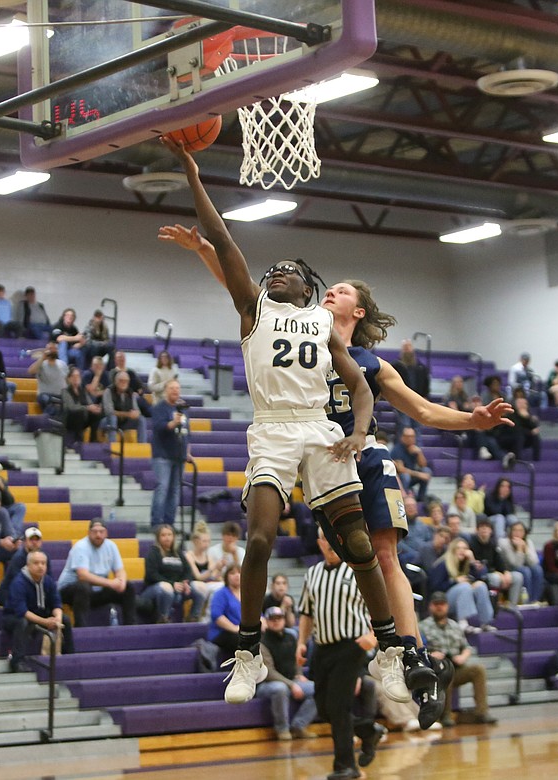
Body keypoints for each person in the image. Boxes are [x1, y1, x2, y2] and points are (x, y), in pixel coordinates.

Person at [162, 137, 410, 708]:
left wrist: (358, 430)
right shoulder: (254, 308)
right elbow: (223, 239)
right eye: (271, 269)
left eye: (289, 272)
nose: (276, 274)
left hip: (320, 431)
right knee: (258, 540)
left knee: (356, 545)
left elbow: (358, 385)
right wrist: (192, 172)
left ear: (310, 289)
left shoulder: (323, 327)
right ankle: (248, 654)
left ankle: (391, 651)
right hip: (272, 428)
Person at [297, 532, 387, 780]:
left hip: (352, 646)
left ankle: (346, 766)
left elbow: (381, 605)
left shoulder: (358, 571)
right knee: (324, 709)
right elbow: (306, 613)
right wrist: (300, 644)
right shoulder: (312, 573)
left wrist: (373, 636)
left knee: (338, 706)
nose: (330, 543)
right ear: (320, 543)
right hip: (322, 648)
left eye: (333, 538)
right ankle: (368, 730)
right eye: (324, 539)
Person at [419, 591, 495, 727]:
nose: (439, 607)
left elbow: (466, 647)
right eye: (436, 604)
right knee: (445, 671)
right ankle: (445, 715)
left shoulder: (455, 626)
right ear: (430, 606)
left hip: (456, 666)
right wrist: (431, 655)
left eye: (442, 604)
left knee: (478, 670)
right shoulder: (422, 626)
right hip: (435, 669)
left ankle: (482, 712)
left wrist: (463, 656)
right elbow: (419, 651)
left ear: (447, 606)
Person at [57, 519, 136, 627]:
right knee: (83, 587)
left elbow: (120, 570)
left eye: (101, 531)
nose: (98, 535)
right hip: (70, 591)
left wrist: (121, 581)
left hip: (94, 591)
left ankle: (130, 627)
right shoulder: (81, 547)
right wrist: (110, 583)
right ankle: (81, 628)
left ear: (106, 533)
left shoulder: (111, 546)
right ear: (89, 533)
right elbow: (82, 575)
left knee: (128, 587)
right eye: (95, 532)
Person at [4, 550, 74, 671]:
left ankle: (70, 657)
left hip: (39, 614)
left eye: (43, 563)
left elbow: (57, 603)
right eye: (36, 563)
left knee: (65, 620)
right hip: (13, 617)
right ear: (28, 565)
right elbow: (23, 612)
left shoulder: (48, 581)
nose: (40, 566)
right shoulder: (19, 582)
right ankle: (17, 662)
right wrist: (45, 622)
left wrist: (57, 618)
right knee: (22, 622)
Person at [256, 606, 317, 740]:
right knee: (280, 688)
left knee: (318, 688)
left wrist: (299, 674)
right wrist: (291, 685)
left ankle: (299, 726)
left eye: (279, 618)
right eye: (272, 619)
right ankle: (282, 729)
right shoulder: (261, 643)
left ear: (284, 620)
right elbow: (268, 672)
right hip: (265, 685)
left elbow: (297, 660)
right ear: (266, 621)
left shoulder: (291, 637)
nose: (276, 621)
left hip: (291, 680)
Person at [141, 524, 204, 623]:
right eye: (163, 535)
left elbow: (188, 570)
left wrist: (185, 582)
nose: (167, 538)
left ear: (174, 537)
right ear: (158, 537)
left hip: (178, 587)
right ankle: (163, 617)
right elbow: (151, 575)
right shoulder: (153, 552)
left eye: (169, 535)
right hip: (155, 588)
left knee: (200, 587)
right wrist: (171, 584)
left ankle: (193, 618)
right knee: (166, 587)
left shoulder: (178, 553)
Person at [428, 537, 494, 628]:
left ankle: (485, 623)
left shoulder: (467, 564)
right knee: (464, 586)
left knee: (481, 586)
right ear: (452, 550)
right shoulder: (443, 564)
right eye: (458, 548)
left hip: (465, 596)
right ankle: (463, 624)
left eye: (464, 548)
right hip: (444, 600)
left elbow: (482, 578)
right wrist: (455, 582)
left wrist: (472, 561)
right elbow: (435, 587)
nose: (462, 551)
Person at [150, 379, 189, 527]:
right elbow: (158, 427)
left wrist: (188, 451)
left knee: (175, 491)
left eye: (177, 388)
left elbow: (187, 432)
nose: (175, 391)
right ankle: (157, 523)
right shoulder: (160, 407)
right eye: (172, 388)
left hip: (179, 455)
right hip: (163, 455)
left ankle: (169, 524)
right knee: (162, 488)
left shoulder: (183, 409)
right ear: (166, 390)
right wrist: (173, 423)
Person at [468, 520, 522, 605]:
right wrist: (497, 573)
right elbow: (480, 567)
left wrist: (505, 572)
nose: (484, 529)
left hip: (495, 573)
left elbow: (499, 560)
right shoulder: (472, 544)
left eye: (487, 527)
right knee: (495, 578)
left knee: (518, 576)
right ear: (477, 530)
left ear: (491, 531)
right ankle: (494, 604)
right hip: (481, 576)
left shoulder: (493, 544)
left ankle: (512, 605)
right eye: (482, 528)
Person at [0, 526, 49, 606]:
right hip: (10, 593)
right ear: (25, 542)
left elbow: (48, 579)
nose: (34, 542)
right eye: (31, 540)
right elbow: (19, 583)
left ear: (41, 542)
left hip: (32, 593)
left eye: (37, 540)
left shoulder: (44, 557)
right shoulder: (18, 558)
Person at [390, 340, 429, 433]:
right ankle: (403, 446)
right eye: (405, 347)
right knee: (405, 426)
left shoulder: (420, 367)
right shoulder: (396, 365)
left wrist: (425, 396)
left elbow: (425, 383)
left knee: (417, 427)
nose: (407, 349)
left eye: (409, 346)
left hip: (417, 400)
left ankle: (417, 447)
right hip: (402, 400)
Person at [186, 521, 226, 609]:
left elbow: (213, 576)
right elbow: (198, 577)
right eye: (204, 541)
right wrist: (214, 567)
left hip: (206, 584)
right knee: (207, 588)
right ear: (195, 541)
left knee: (224, 585)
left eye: (208, 541)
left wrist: (219, 568)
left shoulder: (208, 556)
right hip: (193, 585)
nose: (207, 544)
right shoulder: (189, 556)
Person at [501, 522, 544, 604]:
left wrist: (526, 549)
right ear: (510, 532)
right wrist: (519, 549)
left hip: (525, 568)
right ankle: (526, 601)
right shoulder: (504, 543)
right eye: (515, 530)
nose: (518, 533)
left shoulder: (528, 542)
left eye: (520, 531)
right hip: (508, 571)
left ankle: (534, 600)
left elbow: (534, 562)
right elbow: (515, 564)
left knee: (537, 569)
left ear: (524, 533)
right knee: (525, 570)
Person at [101, 371, 149, 442]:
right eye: (121, 381)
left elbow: (137, 410)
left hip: (124, 421)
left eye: (126, 381)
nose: (123, 383)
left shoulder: (130, 392)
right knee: (113, 418)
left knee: (141, 419)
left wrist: (136, 414)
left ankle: (142, 446)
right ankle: (112, 445)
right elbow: (109, 412)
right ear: (115, 381)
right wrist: (128, 414)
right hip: (107, 421)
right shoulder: (108, 391)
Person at [496, 392, 541, 467]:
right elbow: (516, 429)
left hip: (522, 437)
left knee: (535, 437)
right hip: (506, 437)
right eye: (520, 403)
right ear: (516, 404)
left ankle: (537, 460)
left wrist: (527, 418)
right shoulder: (511, 414)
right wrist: (530, 432)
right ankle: (518, 460)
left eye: (524, 404)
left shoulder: (527, 415)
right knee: (519, 436)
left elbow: (534, 428)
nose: (523, 405)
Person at [60, 366, 103, 444]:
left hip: (83, 417)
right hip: (70, 419)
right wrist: (87, 408)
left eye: (78, 376)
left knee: (97, 413)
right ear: (69, 379)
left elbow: (90, 403)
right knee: (79, 413)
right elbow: (72, 407)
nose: (76, 378)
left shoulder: (82, 390)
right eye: (73, 376)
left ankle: (93, 439)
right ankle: (78, 439)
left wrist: (95, 407)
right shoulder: (65, 391)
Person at [208, 564, 243, 655]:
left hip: (243, 632)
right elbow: (217, 616)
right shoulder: (220, 594)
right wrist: (235, 629)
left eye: (239, 573)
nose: (237, 575)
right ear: (226, 577)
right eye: (232, 573)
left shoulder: (247, 594)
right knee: (242, 640)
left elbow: (259, 615)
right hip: (223, 633)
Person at [390, 427, 432, 502]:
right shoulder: (397, 449)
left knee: (426, 471)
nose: (410, 439)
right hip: (399, 479)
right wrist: (419, 475)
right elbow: (401, 469)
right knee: (406, 476)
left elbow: (423, 465)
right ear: (402, 437)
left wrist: (419, 453)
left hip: (411, 476)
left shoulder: (414, 448)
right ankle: (404, 499)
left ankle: (421, 499)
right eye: (407, 436)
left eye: (412, 436)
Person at [28, 341, 68, 411]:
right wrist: (42, 358)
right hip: (46, 395)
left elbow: (68, 380)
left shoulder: (62, 364)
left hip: (60, 395)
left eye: (55, 348)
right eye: (50, 348)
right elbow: (31, 371)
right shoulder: (41, 364)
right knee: (46, 400)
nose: (53, 350)